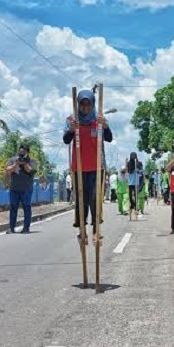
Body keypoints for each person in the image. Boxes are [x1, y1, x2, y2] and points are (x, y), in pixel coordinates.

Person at [63, 89, 112, 243]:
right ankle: (81, 229)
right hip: (79, 166)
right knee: (81, 199)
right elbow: (66, 140)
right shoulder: (72, 119)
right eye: (82, 105)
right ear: (78, 105)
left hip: (96, 167)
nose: (85, 108)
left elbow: (109, 138)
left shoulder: (98, 120)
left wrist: (105, 126)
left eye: (88, 105)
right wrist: (72, 129)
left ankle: (96, 230)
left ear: (92, 105)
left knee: (95, 199)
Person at [5, 144, 36, 234]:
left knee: (27, 208)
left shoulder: (32, 161)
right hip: (14, 189)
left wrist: (25, 163)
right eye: (20, 152)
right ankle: (11, 228)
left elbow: (30, 170)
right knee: (13, 208)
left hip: (26, 189)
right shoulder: (12, 160)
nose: (21, 154)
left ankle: (26, 228)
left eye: (24, 152)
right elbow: (8, 169)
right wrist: (16, 163)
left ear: (27, 152)